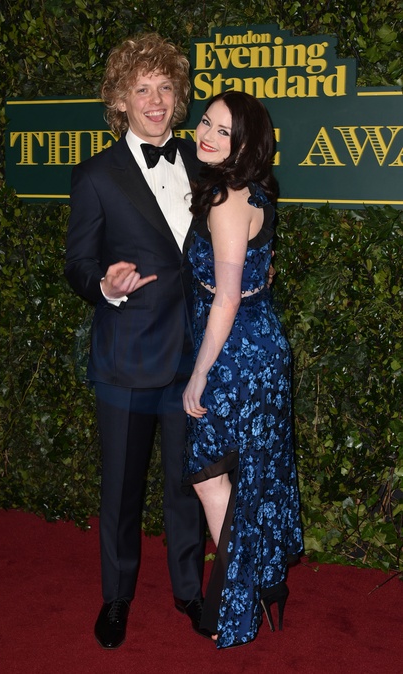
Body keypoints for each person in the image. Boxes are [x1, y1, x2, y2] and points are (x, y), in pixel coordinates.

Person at [64, 33, 209, 649]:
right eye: (141, 88)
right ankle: (117, 597)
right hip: (126, 359)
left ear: (178, 97)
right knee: (121, 491)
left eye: (165, 86)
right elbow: (77, 263)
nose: (155, 100)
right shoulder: (97, 176)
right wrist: (106, 284)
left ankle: (190, 592)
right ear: (120, 100)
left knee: (187, 486)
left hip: (192, 358)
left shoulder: (203, 165)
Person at [182, 91, 304, 649]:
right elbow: (253, 276)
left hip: (234, 355)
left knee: (211, 476)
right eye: (206, 122)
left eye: (223, 131)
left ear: (245, 143)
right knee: (251, 472)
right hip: (260, 344)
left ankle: (242, 598)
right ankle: (263, 584)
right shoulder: (251, 190)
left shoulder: (227, 198)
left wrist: (199, 373)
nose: (207, 134)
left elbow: (227, 297)